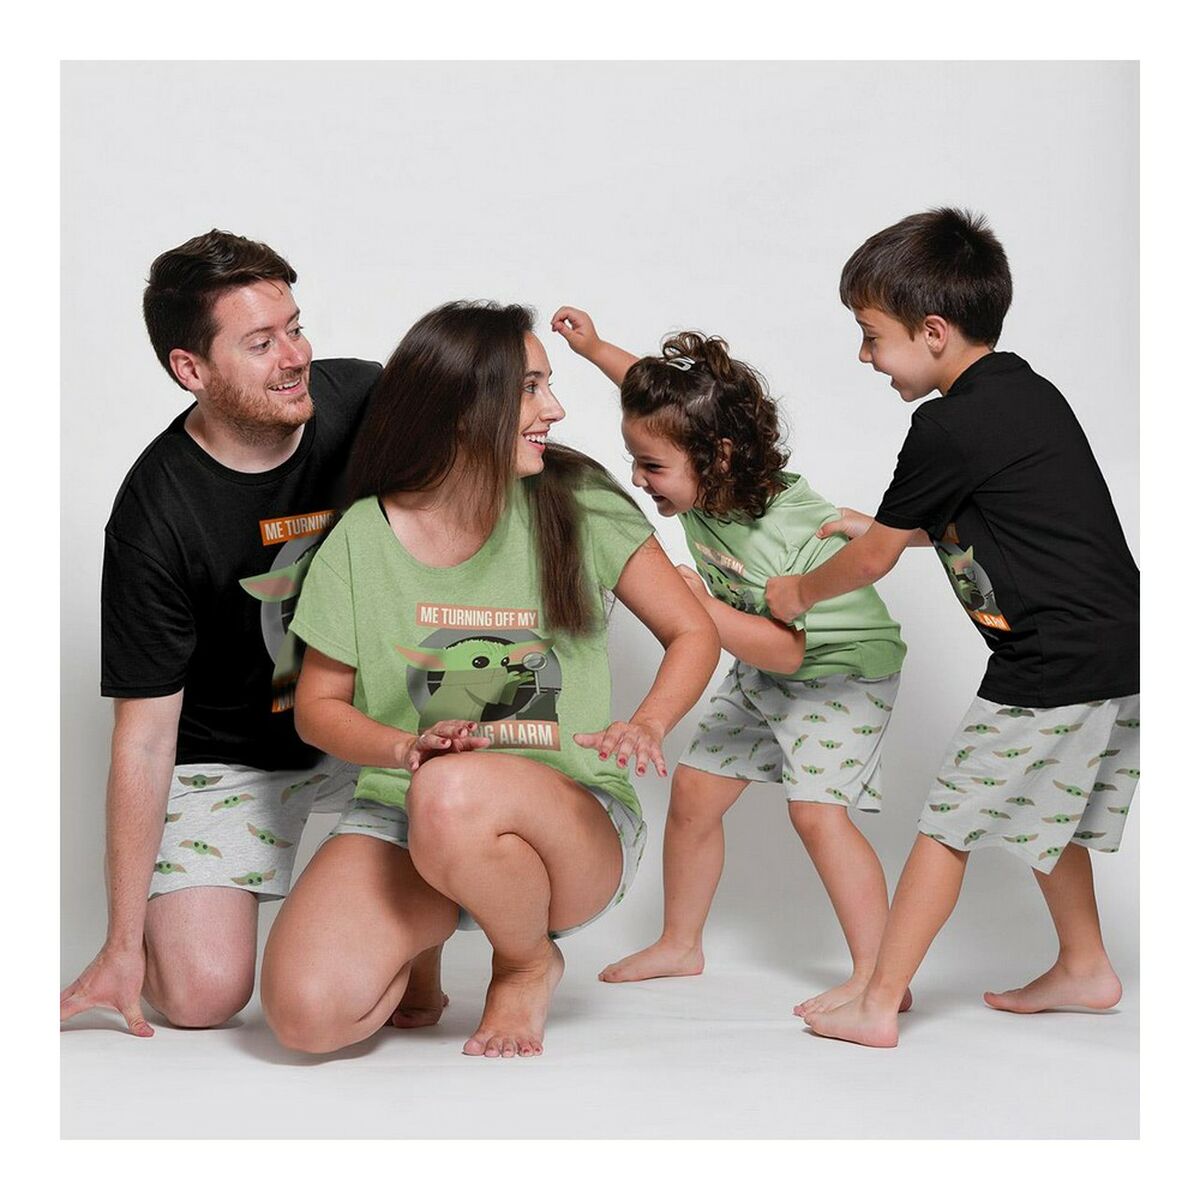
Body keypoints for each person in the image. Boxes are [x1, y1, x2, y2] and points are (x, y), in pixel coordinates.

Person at [259, 300, 719, 1059]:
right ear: (460, 409)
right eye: (531, 388)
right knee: (308, 1019)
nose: (555, 409)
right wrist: (405, 748)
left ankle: (525, 962)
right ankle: (426, 932)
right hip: (406, 816)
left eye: (549, 385)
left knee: (450, 790)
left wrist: (650, 721)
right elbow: (319, 708)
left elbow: (692, 630)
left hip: (573, 829)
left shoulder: (578, 500)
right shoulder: (361, 536)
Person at [764, 208, 1140, 1047]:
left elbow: (871, 563)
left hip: (1051, 656)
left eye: (871, 336)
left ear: (932, 331)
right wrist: (885, 523)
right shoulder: (1026, 391)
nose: (865, 356)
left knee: (947, 825)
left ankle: (877, 1001)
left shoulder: (944, 426)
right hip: (1121, 643)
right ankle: (1086, 967)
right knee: (1050, 808)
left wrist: (797, 594)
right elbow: (1009, 513)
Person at [60, 231, 382, 1036]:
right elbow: (143, 740)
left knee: (476, 761)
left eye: (295, 328)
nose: (295, 357)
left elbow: (489, 459)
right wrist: (120, 942)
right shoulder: (155, 515)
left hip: (366, 720)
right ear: (191, 369)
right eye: (261, 343)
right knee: (201, 997)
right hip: (231, 754)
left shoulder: (364, 400)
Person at [552, 308, 908, 1016]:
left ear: (715, 458)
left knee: (818, 816)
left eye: (651, 467)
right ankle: (680, 943)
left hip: (840, 673)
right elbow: (645, 390)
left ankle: (880, 977)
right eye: (635, 460)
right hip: (764, 664)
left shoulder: (791, 528)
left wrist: (700, 609)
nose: (638, 478)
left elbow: (790, 648)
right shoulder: (697, 466)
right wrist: (593, 349)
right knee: (694, 796)